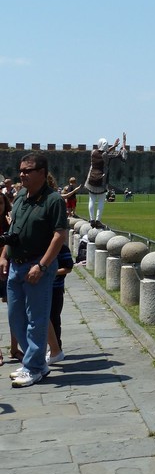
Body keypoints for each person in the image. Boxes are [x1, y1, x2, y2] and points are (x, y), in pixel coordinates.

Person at [0, 151, 67, 387]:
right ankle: (33, 361)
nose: (21, 174)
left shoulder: (53, 200)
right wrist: (5, 255)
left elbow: (60, 235)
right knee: (15, 317)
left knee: (36, 319)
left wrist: (42, 264)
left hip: (37, 265)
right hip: (16, 265)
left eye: (27, 170)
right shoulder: (19, 197)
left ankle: (35, 367)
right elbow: (15, 232)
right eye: (20, 170)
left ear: (41, 173)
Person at [85, 133, 127, 227]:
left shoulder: (93, 152)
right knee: (100, 202)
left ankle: (91, 220)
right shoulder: (107, 156)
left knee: (91, 200)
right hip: (102, 182)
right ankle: (98, 220)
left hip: (91, 180)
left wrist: (113, 146)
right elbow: (120, 155)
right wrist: (123, 144)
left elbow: (104, 151)